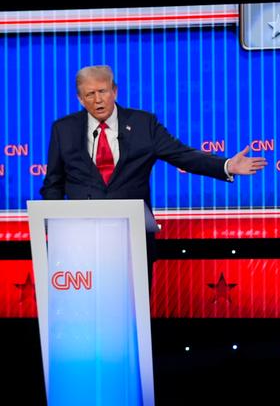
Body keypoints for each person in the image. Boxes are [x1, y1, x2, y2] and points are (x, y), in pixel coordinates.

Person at [40, 64, 268, 287]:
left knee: (133, 314)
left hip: (131, 239)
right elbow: (53, 182)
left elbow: (182, 155)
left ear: (115, 91)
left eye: (103, 91)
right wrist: (58, 231)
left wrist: (226, 165)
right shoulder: (64, 129)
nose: (98, 99)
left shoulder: (142, 124)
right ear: (80, 99)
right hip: (81, 241)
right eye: (90, 94)